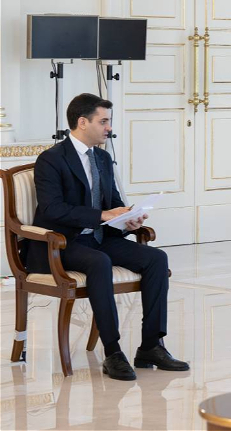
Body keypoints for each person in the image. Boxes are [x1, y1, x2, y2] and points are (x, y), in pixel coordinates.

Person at [26, 93, 189, 380]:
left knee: (156, 259)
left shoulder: (102, 158)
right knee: (99, 262)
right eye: (103, 121)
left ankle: (151, 346)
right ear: (82, 122)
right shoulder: (51, 159)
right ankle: (113, 352)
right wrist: (102, 215)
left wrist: (128, 219)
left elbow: (112, 203)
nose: (109, 128)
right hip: (62, 243)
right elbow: (52, 209)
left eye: (108, 121)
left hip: (99, 238)